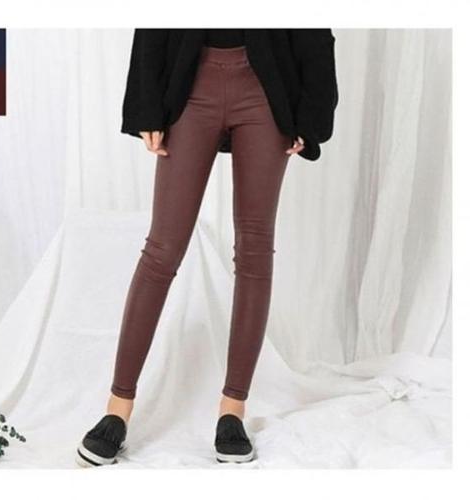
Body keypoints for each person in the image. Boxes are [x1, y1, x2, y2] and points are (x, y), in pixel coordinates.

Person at [76, 28, 338, 467]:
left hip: (266, 88)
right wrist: (148, 105)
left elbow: (313, 29)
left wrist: (309, 118)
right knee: (162, 250)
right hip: (190, 83)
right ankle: (117, 408)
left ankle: (232, 411)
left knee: (254, 252)